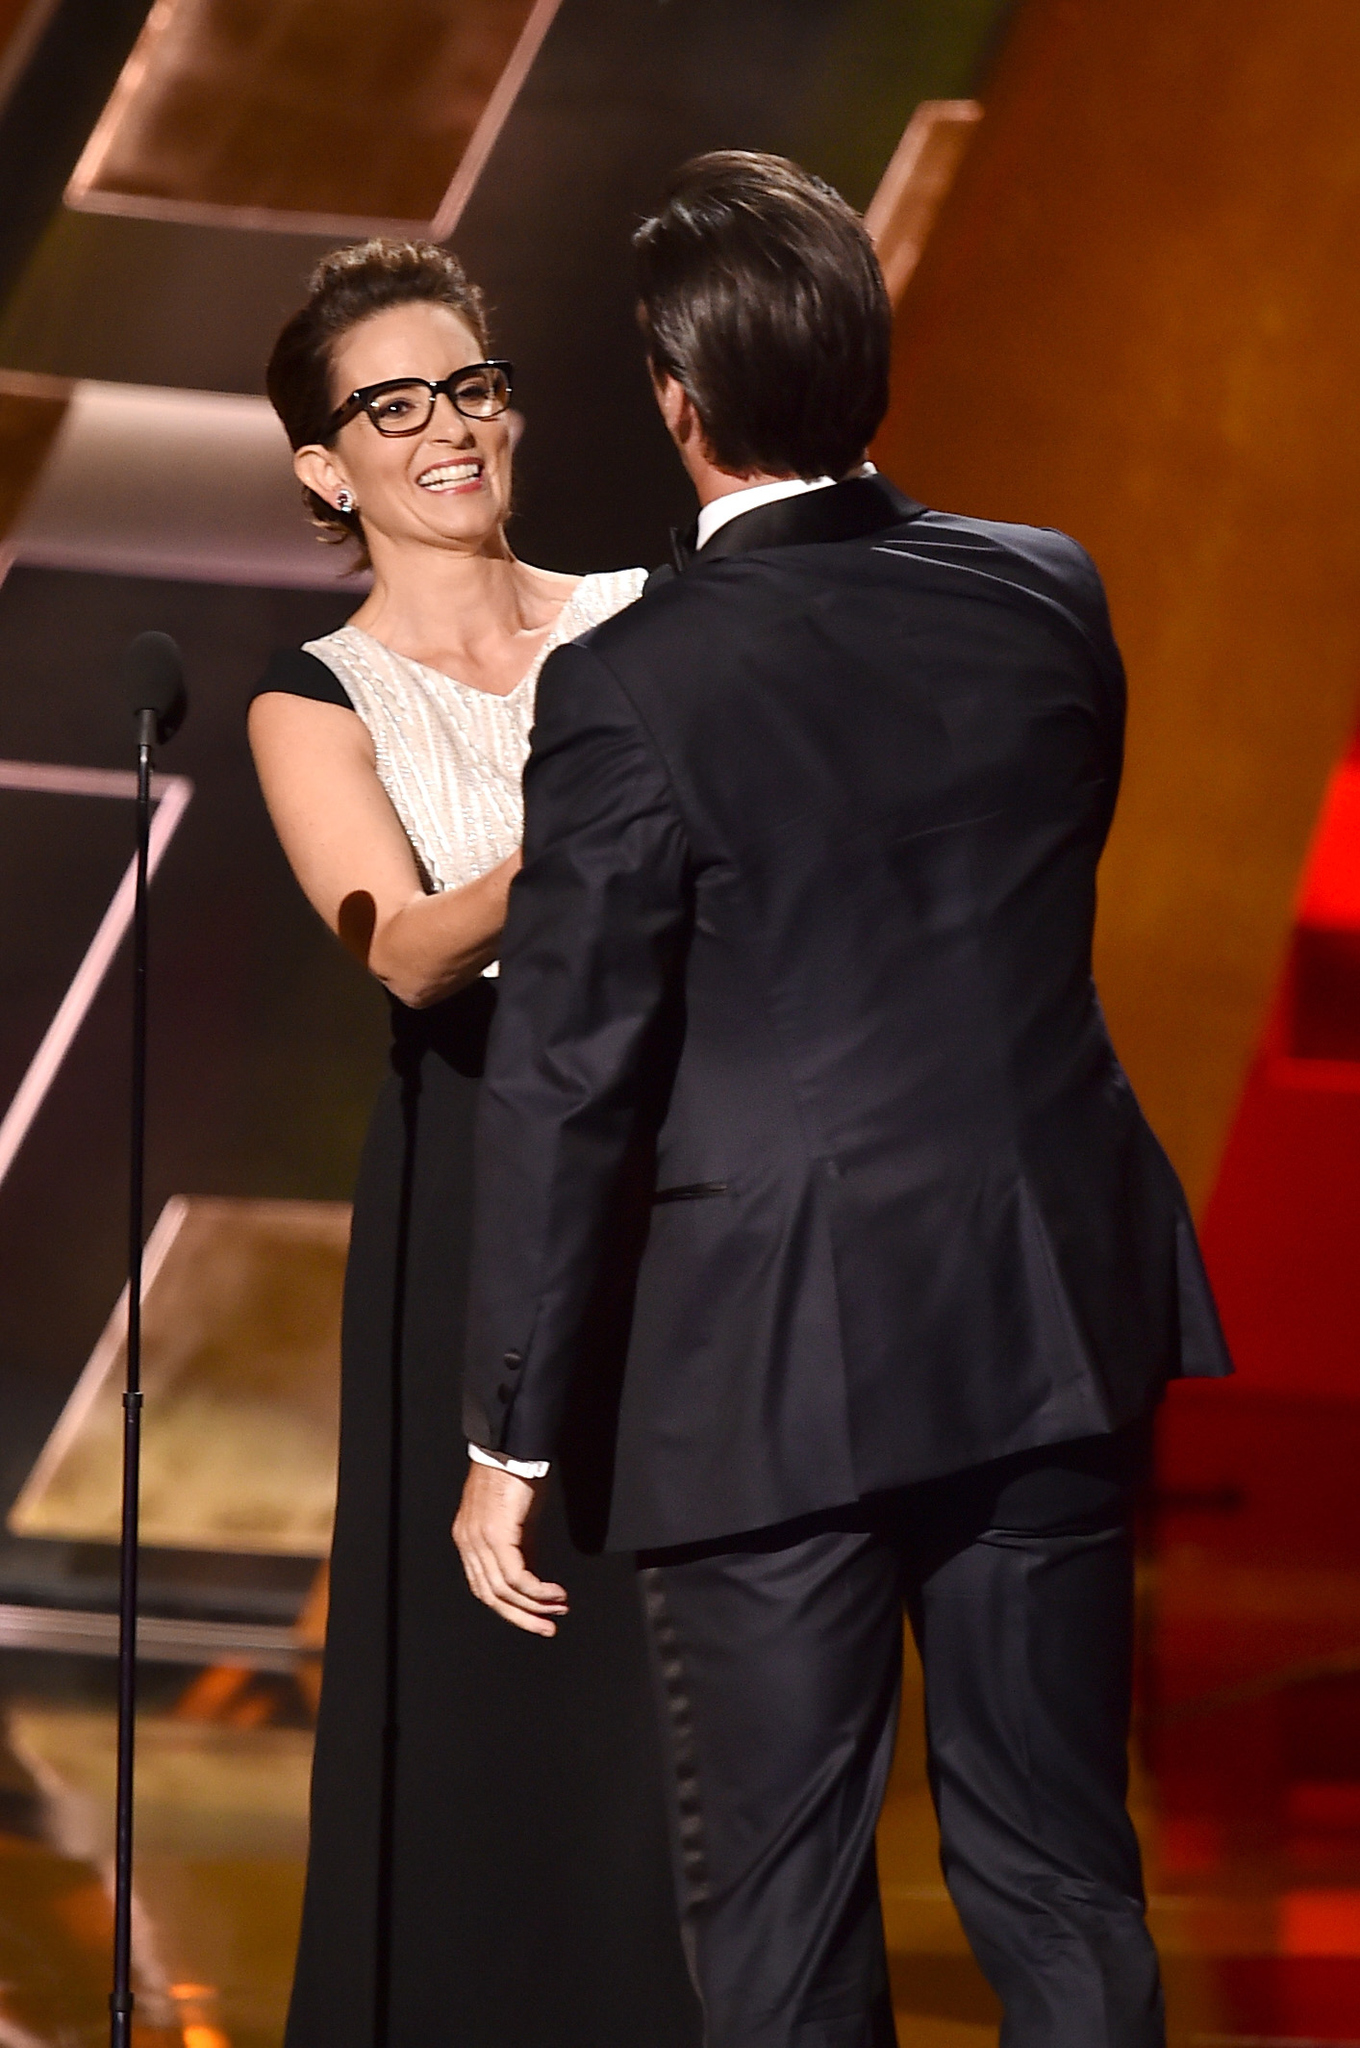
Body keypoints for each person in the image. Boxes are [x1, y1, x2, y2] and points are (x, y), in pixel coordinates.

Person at [453, 154, 1233, 2048]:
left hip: (768, 1362)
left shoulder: (630, 685)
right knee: (1060, 1874)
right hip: (1044, 1311)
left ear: (675, 392)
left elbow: (571, 1069)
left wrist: (511, 1435)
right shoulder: (1045, 594)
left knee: (788, 1917)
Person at [247, 239, 697, 2048]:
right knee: (486, 1644)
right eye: (398, 403)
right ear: (321, 468)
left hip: (678, 1161)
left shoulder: (643, 616)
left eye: (476, 385)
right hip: (475, 1169)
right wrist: (596, 824)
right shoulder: (314, 692)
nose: (453, 428)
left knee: (665, 1643)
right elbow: (410, 945)